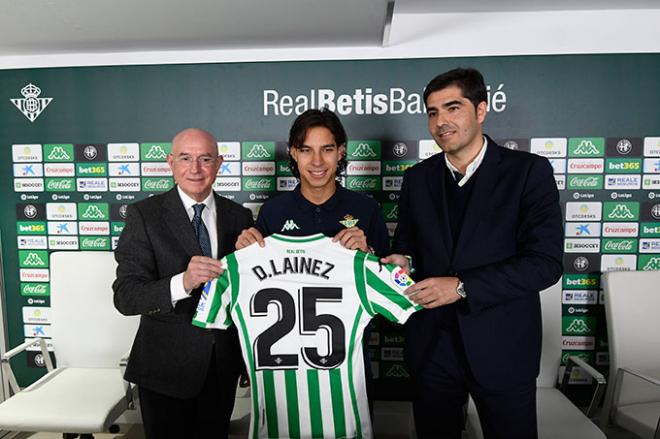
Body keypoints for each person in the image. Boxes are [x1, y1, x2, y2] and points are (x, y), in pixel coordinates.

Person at [383, 68, 563, 439]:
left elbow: (544, 264)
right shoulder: (417, 179)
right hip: (432, 349)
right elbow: (408, 247)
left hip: (503, 349)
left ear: (481, 110)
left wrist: (462, 286)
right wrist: (401, 262)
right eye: (432, 112)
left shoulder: (528, 173)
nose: (441, 121)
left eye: (453, 108)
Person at [235, 108, 389, 413]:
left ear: (341, 151)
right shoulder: (273, 213)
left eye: (327, 149)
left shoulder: (366, 209)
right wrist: (243, 254)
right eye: (306, 150)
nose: (317, 162)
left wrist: (370, 255)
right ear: (293, 153)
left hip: (348, 368)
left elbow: (394, 287)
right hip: (284, 374)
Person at [113, 128, 254, 438]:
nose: (195, 169)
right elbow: (126, 296)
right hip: (164, 368)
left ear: (219, 164)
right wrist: (182, 282)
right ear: (170, 162)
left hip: (221, 367)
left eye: (205, 159)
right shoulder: (144, 216)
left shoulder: (240, 217)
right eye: (185, 158)